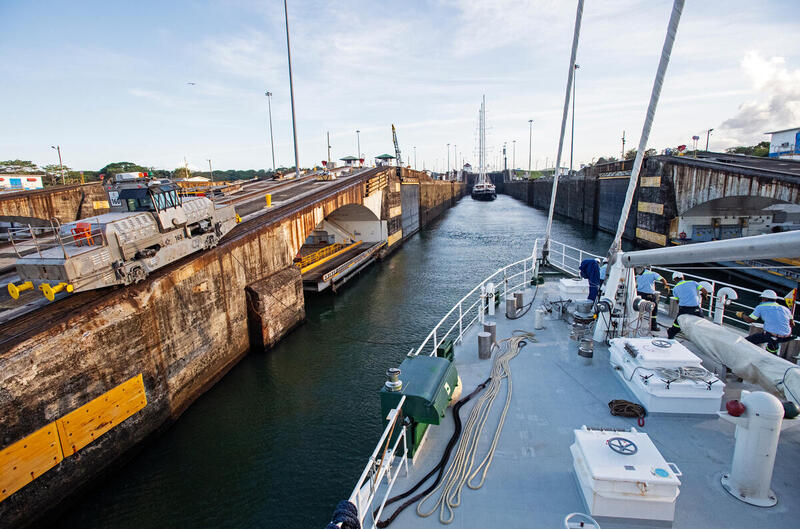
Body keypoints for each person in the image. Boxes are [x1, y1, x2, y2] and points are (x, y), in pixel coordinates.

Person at [737, 290, 795, 355]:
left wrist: (742, 315)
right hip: (786, 337)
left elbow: (749, 320)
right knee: (773, 344)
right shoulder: (785, 309)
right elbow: (792, 324)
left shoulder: (760, 307)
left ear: (764, 299)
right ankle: (772, 353)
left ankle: (745, 354)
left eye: (762, 298)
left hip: (772, 335)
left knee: (745, 341)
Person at [667, 272, 708, 339]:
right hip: (696, 308)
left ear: (674, 279)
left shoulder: (675, 289)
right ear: (683, 277)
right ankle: (703, 337)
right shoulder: (693, 282)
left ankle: (671, 334)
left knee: (677, 323)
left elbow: (677, 301)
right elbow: (705, 291)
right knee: (701, 322)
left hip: (684, 309)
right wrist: (705, 296)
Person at [636, 267, 669, 331]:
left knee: (639, 309)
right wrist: (666, 285)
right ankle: (653, 326)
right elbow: (662, 279)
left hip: (639, 294)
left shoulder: (637, 275)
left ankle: (636, 324)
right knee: (654, 310)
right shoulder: (653, 274)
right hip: (649, 295)